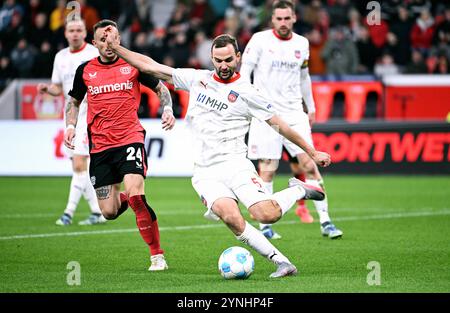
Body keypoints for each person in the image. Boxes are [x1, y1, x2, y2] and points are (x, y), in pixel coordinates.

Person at [104, 25, 332, 278]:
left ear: (238, 57)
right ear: (211, 58)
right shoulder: (197, 79)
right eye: (218, 60)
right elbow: (150, 66)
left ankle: (299, 188)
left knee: (265, 215)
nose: (223, 65)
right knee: (231, 218)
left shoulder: (249, 92)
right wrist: (115, 48)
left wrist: (311, 152)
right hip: (205, 172)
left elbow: (281, 126)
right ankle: (282, 262)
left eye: (228, 60)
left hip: (236, 165)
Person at [64, 19, 175, 271]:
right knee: (109, 212)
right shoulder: (85, 71)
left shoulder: (132, 65)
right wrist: (70, 126)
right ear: (94, 43)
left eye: (112, 38)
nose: (108, 44)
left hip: (130, 138)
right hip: (100, 146)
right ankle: (128, 201)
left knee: (136, 196)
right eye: (103, 39)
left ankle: (157, 256)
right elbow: (74, 102)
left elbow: (161, 88)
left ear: (120, 39)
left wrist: (167, 109)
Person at [240, 0, 343, 240]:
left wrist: (312, 106)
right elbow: (245, 73)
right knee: (267, 170)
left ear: (294, 18)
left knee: (309, 164)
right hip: (266, 114)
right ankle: (266, 226)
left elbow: (304, 77)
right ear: (272, 20)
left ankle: (326, 221)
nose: (283, 23)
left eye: (287, 18)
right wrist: (248, 101)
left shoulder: (302, 43)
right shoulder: (259, 40)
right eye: (279, 19)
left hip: (294, 113)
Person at [37, 19, 106, 226]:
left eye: (79, 30)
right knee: (78, 167)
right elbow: (59, 88)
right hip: (71, 115)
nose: (75, 34)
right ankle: (97, 212)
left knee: (78, 164)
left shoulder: (93, 53)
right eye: (71, 30)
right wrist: (47, 90)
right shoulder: (61, 57)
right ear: (66, 34)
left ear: (85, 33)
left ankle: (68, 213)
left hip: (90, 114)